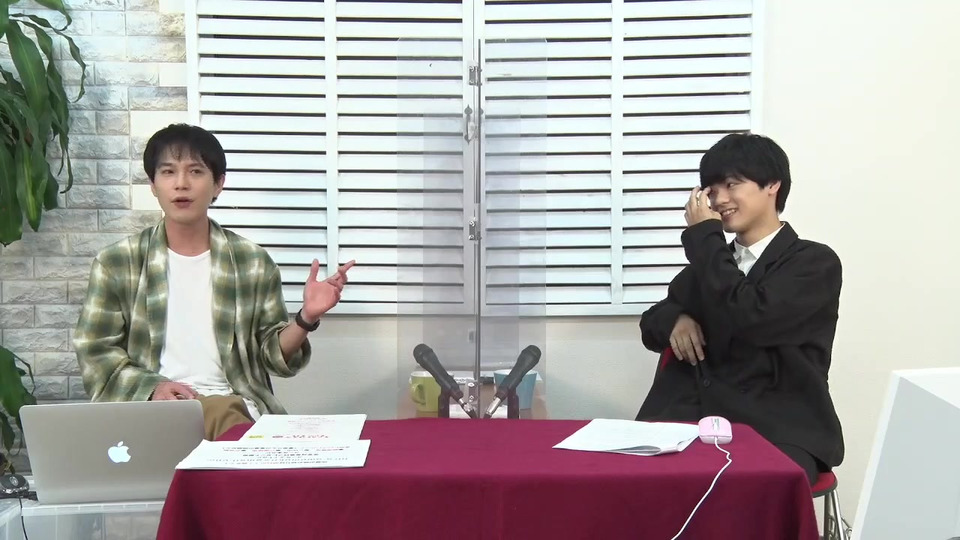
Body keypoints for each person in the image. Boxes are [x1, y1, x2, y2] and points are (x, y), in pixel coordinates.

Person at [74, 123, 354, 439]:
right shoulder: (117, 263)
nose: (181, 184)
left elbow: (272, 358)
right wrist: (152, 388)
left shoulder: (252, 262)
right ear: (153, 184)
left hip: (235, 405)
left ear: (218, 184)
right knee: (219, 424)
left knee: (223, 411)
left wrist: (306, 318)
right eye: (168, 172)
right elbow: (95, 351)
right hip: (152, 409)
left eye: (195, 171)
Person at [636, 133, 843, 484]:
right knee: (626, 482)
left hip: (779, 426)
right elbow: (651, 324)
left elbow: (752, 318)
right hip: (694, 419)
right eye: (712, 190)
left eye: (732, 184)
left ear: (772, 185)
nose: (719, 199)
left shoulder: (813, 262)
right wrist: (676, 318)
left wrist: (706, 239)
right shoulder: (714, 263)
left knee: (751, 488)